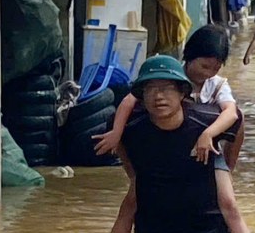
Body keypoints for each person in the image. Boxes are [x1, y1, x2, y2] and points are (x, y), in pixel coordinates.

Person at [82, 55, 255, 233]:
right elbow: (127, 204)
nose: (158, 96)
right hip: (157, 232)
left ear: (183, 92)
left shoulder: (206, 121)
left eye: (166, 88)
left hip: (205, 227)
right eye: (151, 89)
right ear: (142, 95)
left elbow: (236, 118)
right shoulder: (131, 127)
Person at [94, 25, 242, 169]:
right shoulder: (168, 74)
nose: (207, 73)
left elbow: (232, 113)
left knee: (240, 116)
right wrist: (116, 133)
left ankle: (228, 168)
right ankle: (134, 177)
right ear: (190, 56)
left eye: (215, 69)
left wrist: (208, 134)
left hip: (201, 144)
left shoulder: (217, 85)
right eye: (204, 66)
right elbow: (129, 101)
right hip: (162, 141)